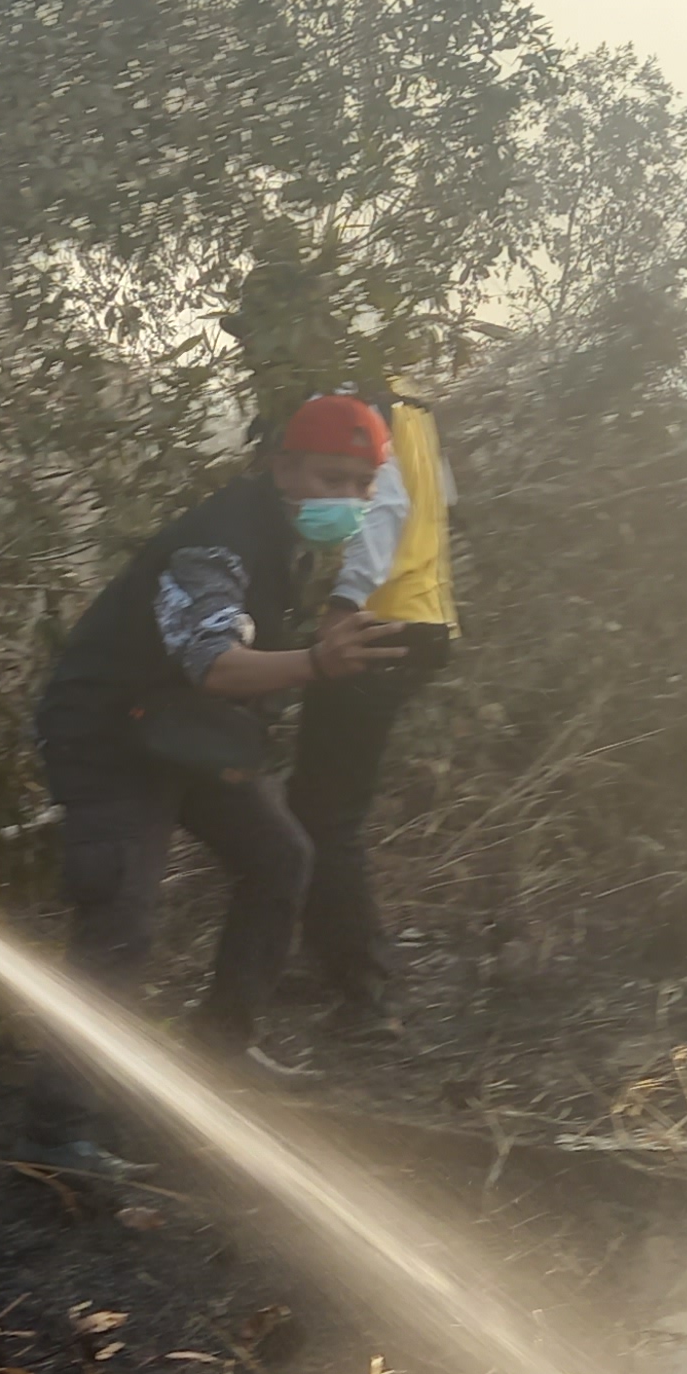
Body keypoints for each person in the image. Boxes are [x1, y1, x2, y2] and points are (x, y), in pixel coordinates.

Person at [28, 389, 416, 1135]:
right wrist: (316, 662)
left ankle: (220, 1048)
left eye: (361, 483)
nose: (347, 498)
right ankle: (59, 1129)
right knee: (122, 917)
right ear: (282, 467)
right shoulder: (218, 541)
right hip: (108, 735)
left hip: (184, 731)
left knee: (281, 857)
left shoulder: (287, 535)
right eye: (330, 478)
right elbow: (215, 664)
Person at [291, 381, 459, 1040]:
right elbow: (445, 502)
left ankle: (367, 989)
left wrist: (341, 606)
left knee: (326, 814)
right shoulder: (417, 411)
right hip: (424, 619)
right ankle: (332, 961)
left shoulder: (366, 411)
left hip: (377, 624)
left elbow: (386, 507)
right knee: (320, 805)